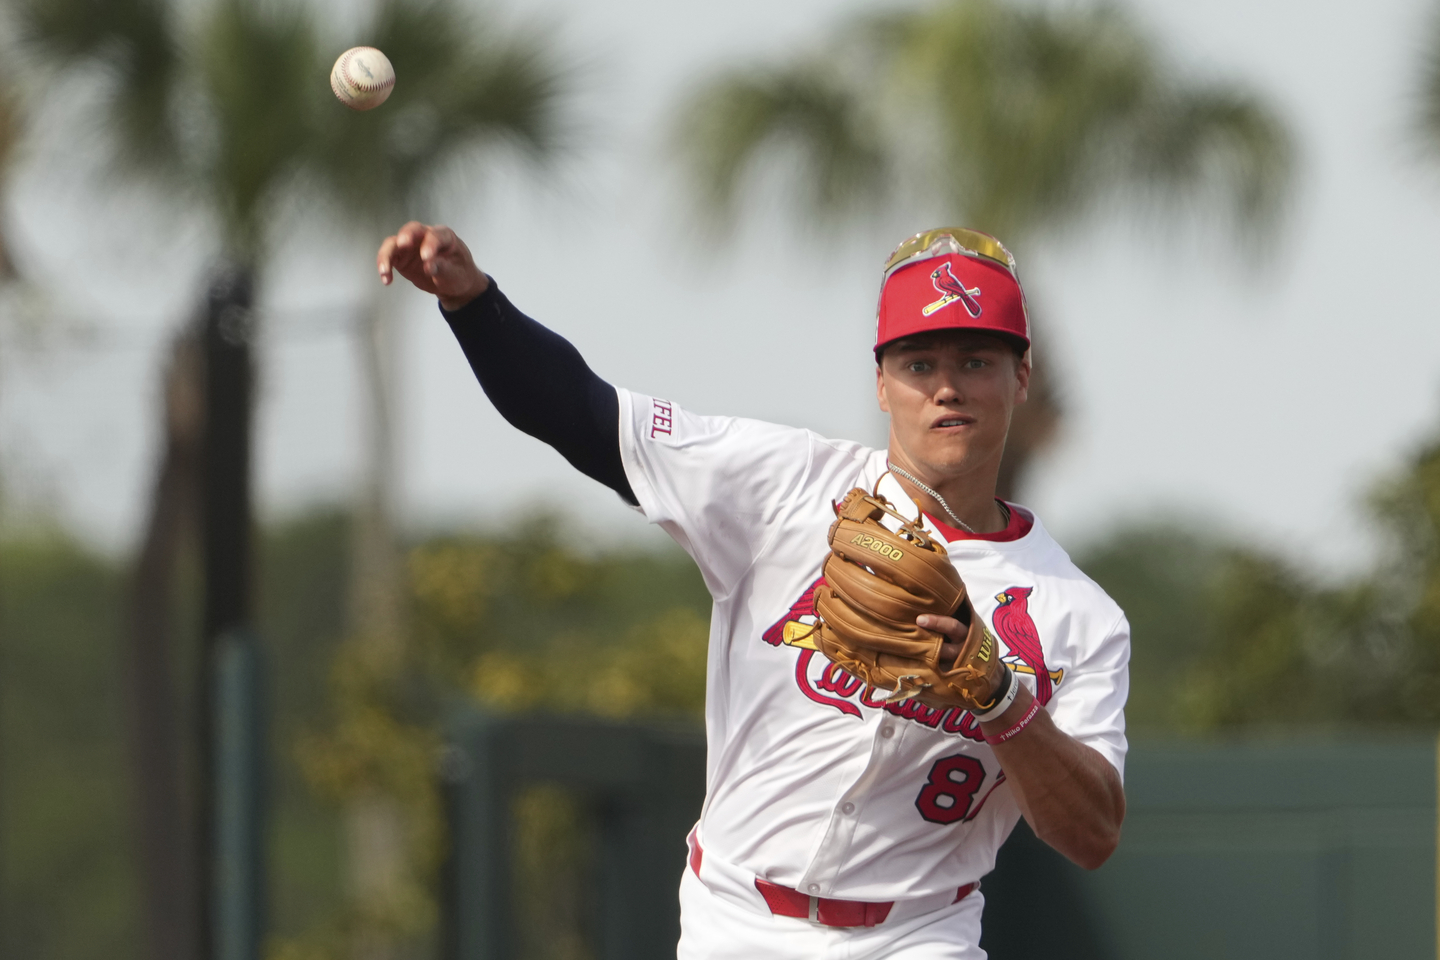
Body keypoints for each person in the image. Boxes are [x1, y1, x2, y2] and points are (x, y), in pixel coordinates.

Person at [377, 222, 1129, 959]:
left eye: (975, 361)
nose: (945, 388)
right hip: (736, 920)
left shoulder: (1077, 614)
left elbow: (1092, 834)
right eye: (919, 362)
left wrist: (1000, 698)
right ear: (880, 382)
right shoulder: (788, 486)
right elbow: (582, 413)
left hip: (919, 934)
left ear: (1020, 376)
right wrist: (474, 306)